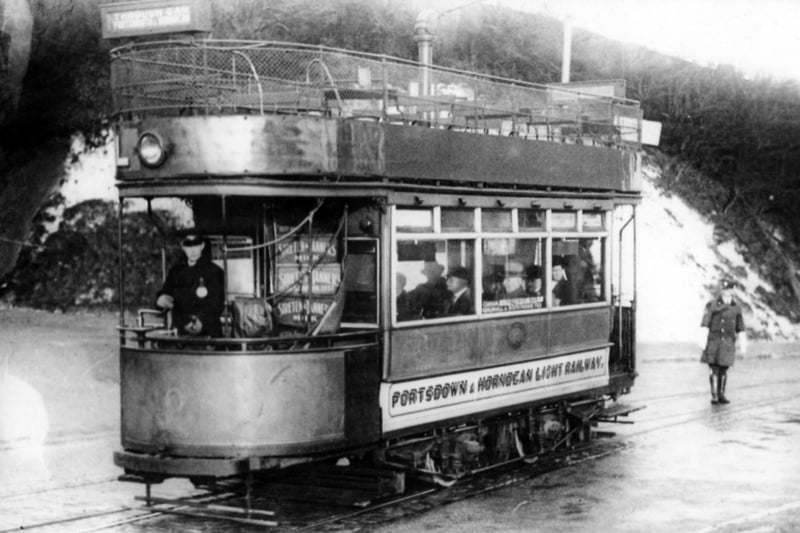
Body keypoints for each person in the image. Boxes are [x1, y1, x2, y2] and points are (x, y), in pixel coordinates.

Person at [156, 233, 225, 336]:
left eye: (196, 245)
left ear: (202, 246)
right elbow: (165, 293)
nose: (192, 251)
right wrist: (160, 300)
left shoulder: (214, 271)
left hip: (208, 334)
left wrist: (201, 321)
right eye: (189, 246)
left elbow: (217, 304)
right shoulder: (175, 272)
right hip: (180, 333)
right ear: (183, 247)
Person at [700, 279, 746, 404]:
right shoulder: (713, 304)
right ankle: (714, 395)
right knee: (714, 368)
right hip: (714, 341)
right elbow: (705, 323)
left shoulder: (736, 307)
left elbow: (740, 327)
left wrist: (743, 345)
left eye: (729, 289)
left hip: (727, 343)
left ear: (733, 291)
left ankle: (721, 395)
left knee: (724, 369)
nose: (726, 292)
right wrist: (702, 340)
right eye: (724, 289)